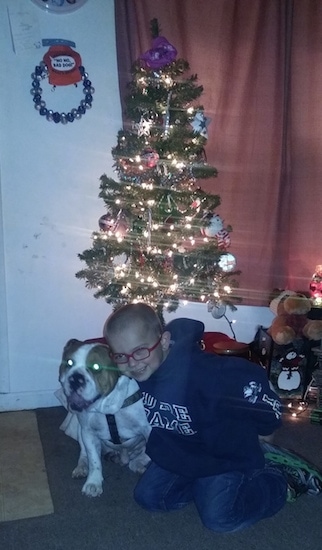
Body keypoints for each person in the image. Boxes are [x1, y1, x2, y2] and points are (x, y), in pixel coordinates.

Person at [103, 303, 321, 533]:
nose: (132, 363)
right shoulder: (145, 366)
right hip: (182, 450)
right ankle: (207, 486)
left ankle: (279, 480)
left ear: (164, 341)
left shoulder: (206, 373)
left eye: (139, 351)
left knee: (220, 519)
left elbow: (251, 381)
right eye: (121, 356)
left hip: (224, 455)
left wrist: (267, 429)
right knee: (149, 498)